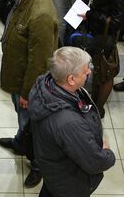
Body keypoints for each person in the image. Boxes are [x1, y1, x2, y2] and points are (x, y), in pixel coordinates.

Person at [0, 0, 58, 188]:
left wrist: (26, 93)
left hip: (29, 84)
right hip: (19, 75)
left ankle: (37, 163)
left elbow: (40, 61)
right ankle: (20, 141)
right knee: (25, 122)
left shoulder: (40, 14)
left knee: (34, 125)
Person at [29, 47, 116, 197]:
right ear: (71, 79)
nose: (89, 72)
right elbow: (95, 162)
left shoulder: (47, 83)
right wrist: (107, 153)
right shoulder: (68, 123)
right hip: (69, 185)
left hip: (54, 174)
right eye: (85, 70)